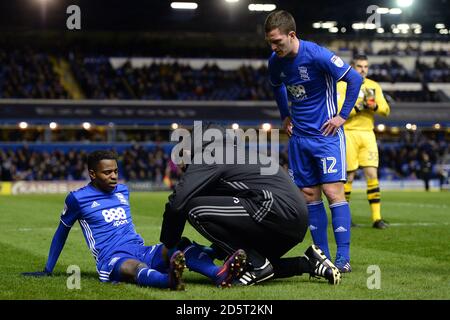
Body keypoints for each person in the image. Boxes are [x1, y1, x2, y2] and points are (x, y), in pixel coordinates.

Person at [22, 150, 246, 289]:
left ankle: (217, 273)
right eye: (107, 172)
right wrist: (48, 269)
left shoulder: (123, 191)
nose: (113, 176)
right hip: (112, 258)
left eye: (115, 171)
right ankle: (168, 280)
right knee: (134, 267)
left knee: (178, 243)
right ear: (92, 174)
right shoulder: (77, 199)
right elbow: (62, 232)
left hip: (141, 249)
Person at [159, 122, 342, 286]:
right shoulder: (234, 153)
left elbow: (178, 202)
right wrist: (216, 251)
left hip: (274, 207)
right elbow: (230, 215)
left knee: (193, 207)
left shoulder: (211, 154)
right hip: (290, 219)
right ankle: (308, 263)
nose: (183, 168)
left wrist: (168, 245)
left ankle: (258, 264)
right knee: (239, 265)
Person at [265, 10, 363, 273]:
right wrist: (285, 114)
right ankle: (324, 257)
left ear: (292, 35)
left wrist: (342, 116)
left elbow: (355, 78)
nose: (274, 48)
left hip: (326, 137)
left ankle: (343, 258)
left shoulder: (317, 55)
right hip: (299, 139)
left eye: (277, 42)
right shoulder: (275, 61)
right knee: (309, 196)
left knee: (333, 192)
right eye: (270, 43)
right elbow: (276, 86)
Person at [337, 54, 390, 229]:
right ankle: (346, 218)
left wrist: (373, 106)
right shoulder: (343, 85)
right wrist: (359, 107)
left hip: (368, 134)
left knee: (372, 174)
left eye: (366, 67)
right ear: (352, 67)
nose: (363, 69)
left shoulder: (373, 86)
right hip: (349, 133)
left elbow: (386, 110)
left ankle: (377, 218)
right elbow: (338, 112)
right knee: (349, 176)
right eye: (360, 66)